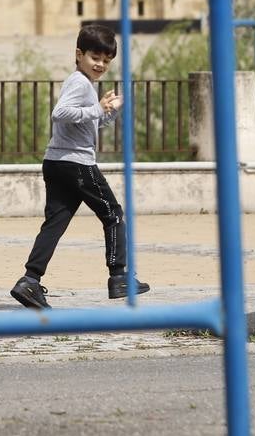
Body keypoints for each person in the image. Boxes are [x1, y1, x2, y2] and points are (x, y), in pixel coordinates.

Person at [10, 24, 151, 309]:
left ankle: (29, 281)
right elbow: (60, 113)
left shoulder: (85, 84)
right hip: (76, 164)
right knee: (113, 214)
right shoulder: (79, 82)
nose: (100, 64)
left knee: (55, 224)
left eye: (106, 60)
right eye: (94, 57)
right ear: (79, 54)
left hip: (57, 162)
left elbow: (87, 121)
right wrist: (98, 108)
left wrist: (109, 111)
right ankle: (119, 276)